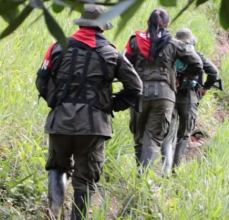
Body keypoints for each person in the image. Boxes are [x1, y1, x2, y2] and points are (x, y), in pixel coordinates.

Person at [35, 4, 142, 220]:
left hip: (59, 123)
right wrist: (111, 105)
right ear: (103, 27)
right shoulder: (112, 53)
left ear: (82, 23)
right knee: (85, 179)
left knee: (57, 168)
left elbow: (41, 81)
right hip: (93, 126)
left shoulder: (57, 47)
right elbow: (136, 88)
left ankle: (53, 214)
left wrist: (56, 102)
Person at [124, 9, 203, 174]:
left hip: (139, 94)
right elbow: (197, 63)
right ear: (167, 25)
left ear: (147, 22)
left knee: (139, 137)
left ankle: (142, 175)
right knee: (153, 137)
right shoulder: (174, 44)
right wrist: (180, 76)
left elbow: (123, 65)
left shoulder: (134, 42)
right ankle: (146, 180)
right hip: (164, 95)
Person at [161, 28, 219, 175]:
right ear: (192, 41)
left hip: (170, 94)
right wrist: (205, 88)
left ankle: (165, 170)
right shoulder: (196, 55)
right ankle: (176, 168)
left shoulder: (170, 53)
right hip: (189, 96)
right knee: (185, 133)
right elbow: (213, 72)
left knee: (169, 133)